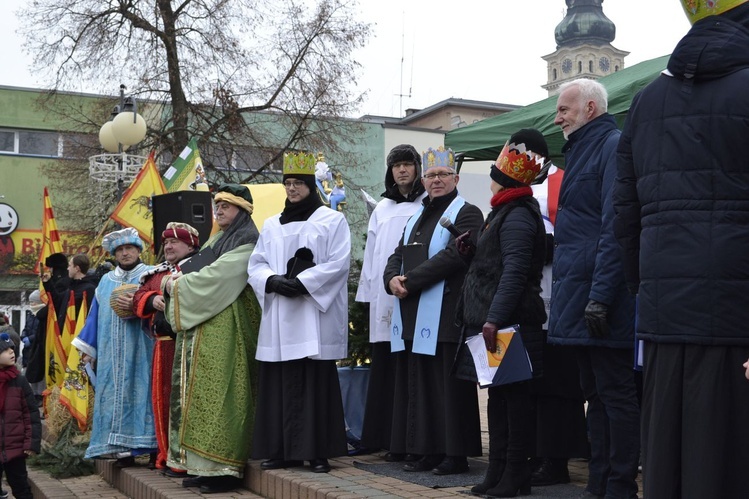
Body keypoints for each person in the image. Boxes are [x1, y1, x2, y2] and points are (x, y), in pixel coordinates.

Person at [613, 2, 749, 497]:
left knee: (670, 458)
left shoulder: (648, 101)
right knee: (730, 461)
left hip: (665, 311)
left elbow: (623, 214)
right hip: (737, 316)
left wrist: (645, 286)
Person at [549, 78, 639, 499]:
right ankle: (599, 483)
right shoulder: (580, 152)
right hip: (579, 296)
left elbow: (614, 228)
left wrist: (601, 296)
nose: (558, 117)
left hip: (601, 298)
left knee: (615, 395)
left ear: (589, 108)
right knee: (595, 396)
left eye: (564, 109)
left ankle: (619, 485)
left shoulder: (612, 146)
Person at [455, 129, 548, 497]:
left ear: (502, 178)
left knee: (516, 402)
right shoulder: (504, 211)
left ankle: (516, 475)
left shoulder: (519, 216)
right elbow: (494, 263)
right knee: (498, 399)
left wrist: (494, 318)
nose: (492, 175)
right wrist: (470, 252)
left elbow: (514, 273)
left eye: (495, 170)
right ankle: (497, 471)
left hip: (512, 323)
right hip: (498, 321)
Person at [383, 146, 484, 475]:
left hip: (448, 312)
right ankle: (426, 450)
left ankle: (455, 454)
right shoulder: (415, 215)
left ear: (455, 178)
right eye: (430, 175)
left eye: (442, 175)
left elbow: (454, 256)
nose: (436, 180)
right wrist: (390, 280)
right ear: (423, 180)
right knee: (422, 385)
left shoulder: (467, 212)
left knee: (448, 387)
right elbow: (397, 253)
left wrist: (409, 280)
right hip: (414, 311)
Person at [248, 151, 350, 474]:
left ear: (310, 185)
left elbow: (338, 263)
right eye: (287, 184)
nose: (292, 189)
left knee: (314, 383)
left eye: (298, 184)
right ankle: (281, 450)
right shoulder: (271, 225)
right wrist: (273, 281)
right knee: (279, 385)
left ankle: (318, 451)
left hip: (312, 317)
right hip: (280, 316)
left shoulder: (332, 221)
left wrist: (304, 283)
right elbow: (256, 264)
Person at [164, 184, 260, 494]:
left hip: (230, 330)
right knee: (202, 395)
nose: (218, 211)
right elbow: (199, 269)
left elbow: (216, 278)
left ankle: (225, 469)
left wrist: (175, 285)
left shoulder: (247, 242)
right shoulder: (218, 239)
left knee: (224, 395)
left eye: (226, 207)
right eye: (217, 205)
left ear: (242, 211)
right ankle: (202, 467)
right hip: (208, 326)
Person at [356, 144, 426, 459]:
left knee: (410, 365)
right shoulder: (382, 209)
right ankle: (380, 435)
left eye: (407, 164)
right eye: (396, 165)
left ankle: (408, 439)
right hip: (383, 298)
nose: (402, 170)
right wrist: (367, 295)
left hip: (418, 293)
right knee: (384, 365)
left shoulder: (428, 203)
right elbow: (371, 256)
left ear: (417, 168)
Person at [71, 227, 157, 466]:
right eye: (120, 250)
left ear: (138, 250)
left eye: (129, 248)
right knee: (115, 397)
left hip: (144, 351)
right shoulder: (105, 282)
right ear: (114, 254)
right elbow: (93, 317)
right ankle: (123, 452)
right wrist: (88, 350)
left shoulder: (151, 275)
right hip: (111, 355)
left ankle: (152, 450)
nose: (125, 253)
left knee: (145, 395)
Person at [528, 164, 589, 487]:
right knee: (535, 386)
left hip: (563, 300)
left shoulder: (563, 181)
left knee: (559, 385)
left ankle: (557, 460)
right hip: (532, 301)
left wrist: (543, 247)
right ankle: (537, 454)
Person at [133, 223, 199, 472]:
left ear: (191, 244)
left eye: (175, 242)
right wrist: (152, 298)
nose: (168, 246)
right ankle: (167, 455)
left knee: (187, 402)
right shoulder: (156, 275)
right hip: (164, 347)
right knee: (163, 402)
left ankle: (189, 458)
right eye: (166, 242)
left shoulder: (200, 268)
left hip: (191, 343)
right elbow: (137, 297)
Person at [0, 333, 41, 499]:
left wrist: (31, 442)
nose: (12, 352)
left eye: (12, 349)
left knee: (21, 489)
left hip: (14, 447)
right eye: (5, 350)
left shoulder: (19, 381)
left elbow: (31, 413)